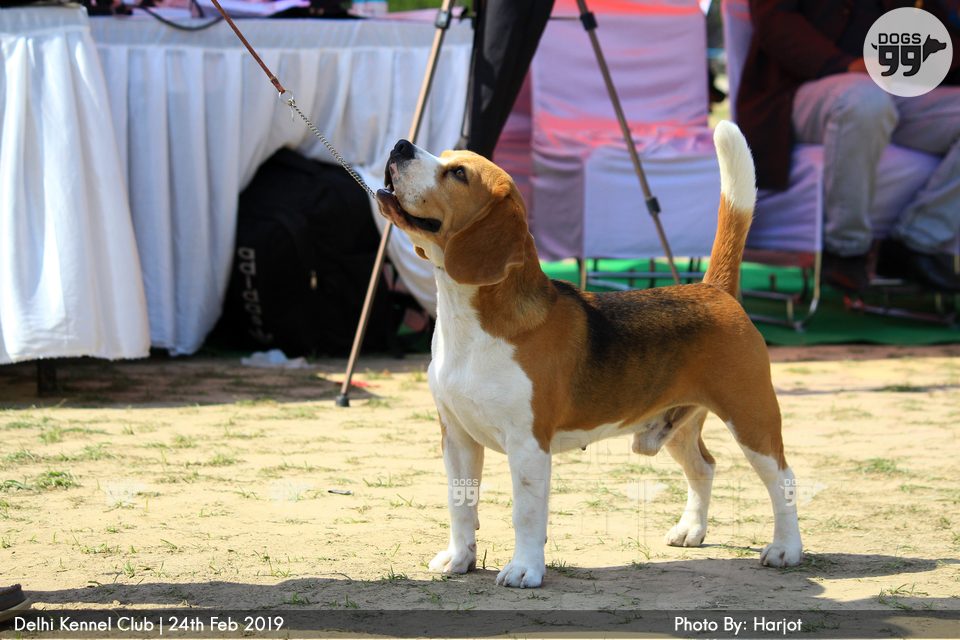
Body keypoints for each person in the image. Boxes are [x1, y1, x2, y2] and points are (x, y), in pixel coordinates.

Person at [736, 0, 960, 293]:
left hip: (892, 87)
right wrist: (844, 65)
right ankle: (845, 249)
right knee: (864, 101)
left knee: (870, 98)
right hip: (801, 88)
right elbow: (776, 22)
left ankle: (917, 242)